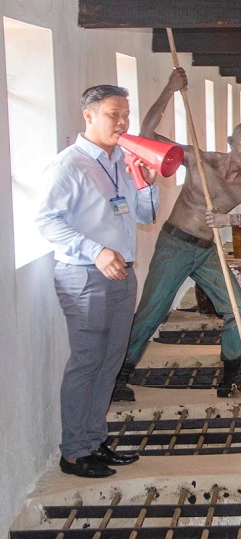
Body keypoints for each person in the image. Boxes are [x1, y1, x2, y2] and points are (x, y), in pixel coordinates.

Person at [113, 68, 241, 402]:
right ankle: (118, 377)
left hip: (207, 250)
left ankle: (230, 377)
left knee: (239, 310)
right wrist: (169, 89)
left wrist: (230, 218)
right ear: (230, 143)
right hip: (175, 244)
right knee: (152, 312)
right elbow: (147, 133)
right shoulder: (199, 160)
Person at [36, 84, 158, 478]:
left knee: (110, 359)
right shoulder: (69, 164)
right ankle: (73, 452)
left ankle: (94, 439)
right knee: (87, 360)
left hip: (122, 272)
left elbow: (143, 216)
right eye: (113, 115)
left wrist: (147, 184)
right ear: (88, 116)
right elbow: (46, 220)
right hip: (84, 275)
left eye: (125, 115)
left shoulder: (123, 159)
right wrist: (95, 251)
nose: (122, 123)